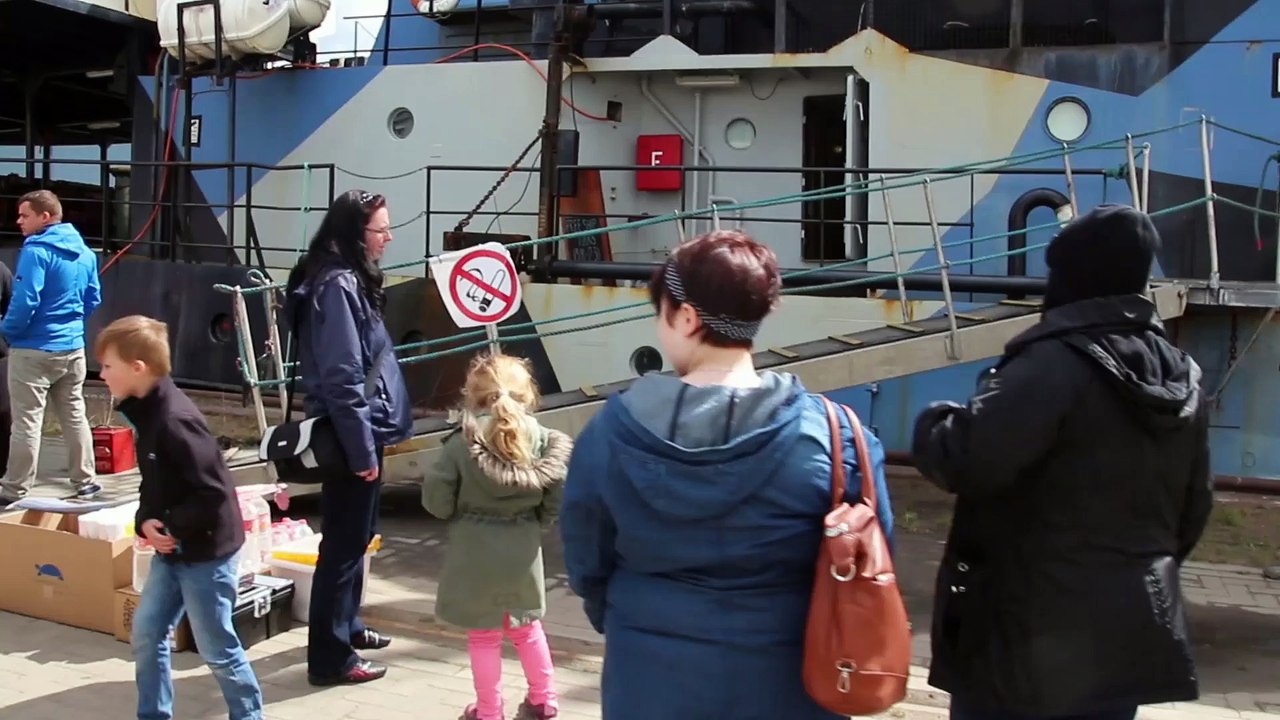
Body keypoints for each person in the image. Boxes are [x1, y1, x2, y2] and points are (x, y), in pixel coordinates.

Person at [559, 229, 894, 720]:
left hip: (648, 676)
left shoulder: (611, 432)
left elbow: (587, 558)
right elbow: (874, 548)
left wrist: (630, 616)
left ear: (687, 317)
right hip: (792, 678)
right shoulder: (836, 435)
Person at [910, 204, 1214, 720]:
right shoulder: (1184, 374)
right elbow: (1193, 507)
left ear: (1072, 275)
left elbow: (970, 457)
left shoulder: (1052, 364)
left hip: (1028, 639)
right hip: (1126, 634)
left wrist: (937, 417)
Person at [95, 315, 264, 720]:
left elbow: (213, 492)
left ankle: (249, 715)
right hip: (172, 551)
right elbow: (154, 483)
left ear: (139, 367)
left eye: (107, 366)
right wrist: (145, 521)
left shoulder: (175, 420)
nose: (101, 374)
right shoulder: (147, 413)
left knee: (216, 648)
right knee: (147, 632)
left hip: (206, 555)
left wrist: (169, 527)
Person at [283, 189, 413, 686]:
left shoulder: (341, 277)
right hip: (349, 435)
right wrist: (362, 452)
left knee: (357, 539)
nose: (387, 237)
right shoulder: (337, 286)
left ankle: (348, 625)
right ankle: (331, 659)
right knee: (342, 545)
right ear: (354, 234)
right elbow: (340, 376)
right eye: (380, 229)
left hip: (361, 429)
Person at [422, 352, 571, 720]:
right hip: (522, 548)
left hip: (473, 551)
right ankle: (544, 699)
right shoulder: (541, 438)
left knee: (484, 636)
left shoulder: (461, 443)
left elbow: (437, 502)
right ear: (527, 393)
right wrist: (537, 522)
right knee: (527, 628)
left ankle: (488, 711)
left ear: (473, 394)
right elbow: (556, 494)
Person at [0, 190, 102, 507]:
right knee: (74, 415)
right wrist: (70, 325)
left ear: (45, 216)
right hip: (72, 348)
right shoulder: (86, 253)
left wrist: (6, 332)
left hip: (32, 348)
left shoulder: (36, 251)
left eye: (24, 215)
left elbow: (26, 299)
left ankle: (13, 489)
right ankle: (86, 481)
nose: (19, 221)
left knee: (27, 422)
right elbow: (93, 298)